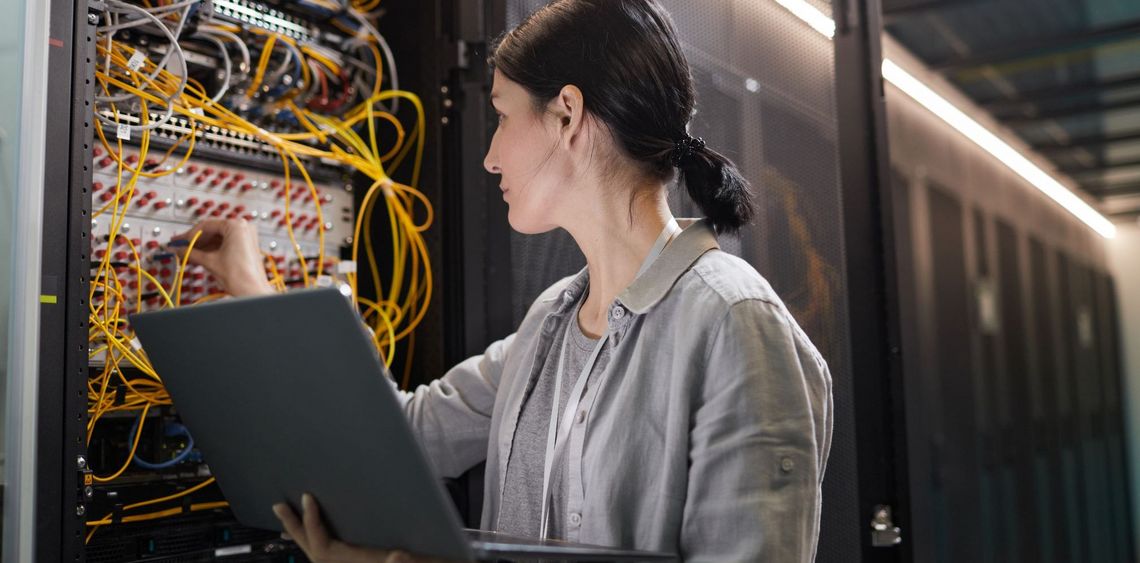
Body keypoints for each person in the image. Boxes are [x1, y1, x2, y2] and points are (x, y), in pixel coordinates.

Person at [174, 1, 833, 561]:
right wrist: (256, 293)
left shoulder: (734, 323)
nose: (489, 155)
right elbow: (409, 434)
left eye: (501, 113)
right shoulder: (552, 320)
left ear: (567, 114)